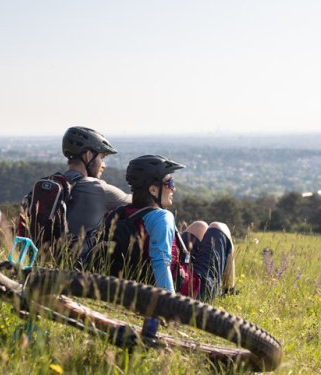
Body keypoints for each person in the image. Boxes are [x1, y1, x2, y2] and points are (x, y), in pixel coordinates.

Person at [109, 155, 236, 335]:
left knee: (200, 226)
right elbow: (160, 262)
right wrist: (171, 308)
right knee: (219, 228)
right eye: (170, 183)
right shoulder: (162, 217)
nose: (173, 189)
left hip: (141, 286)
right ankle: (227, 291)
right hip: (188, 292)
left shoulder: (121, 213)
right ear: (153, 189)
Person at [59, 126, 131, 255]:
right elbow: (140, 201)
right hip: (78, 271)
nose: (104, 165)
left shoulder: (55, 183)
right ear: (88, 155)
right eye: (102, 158)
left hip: (40, 264)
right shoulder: (97, 188)